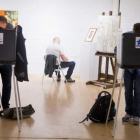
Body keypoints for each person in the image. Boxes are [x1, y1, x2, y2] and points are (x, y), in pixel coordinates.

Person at [122, 23, 140, 125]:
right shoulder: (127, 37)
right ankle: (129, 113)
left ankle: (137, 115)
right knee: (128, 91)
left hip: (139, 70)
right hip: (128, 69)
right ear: (133, 30)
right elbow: (117, 49)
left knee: (138, 92)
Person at [0, 16, 12, 110]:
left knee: (7, 84)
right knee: (7, 84)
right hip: (6, 62)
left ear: (5, 24)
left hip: (7, 62)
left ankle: (5, 106)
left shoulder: (10, 33)